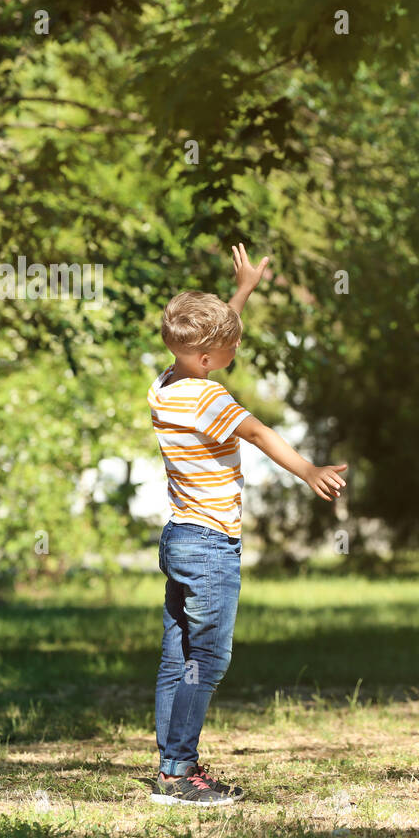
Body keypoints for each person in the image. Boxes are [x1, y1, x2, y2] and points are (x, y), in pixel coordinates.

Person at [147, 244, 347, 805]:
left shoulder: (166, 384)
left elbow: (207, 341)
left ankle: (171, 764)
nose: (238, 347)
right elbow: (257, 433)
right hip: (210, 543)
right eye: (233, 344)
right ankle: (178, 775)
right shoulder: (210, 398)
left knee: (178, 657)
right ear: (211, 358)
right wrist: (309, 469)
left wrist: (243, 290)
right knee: (207, 659)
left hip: (178, 536)